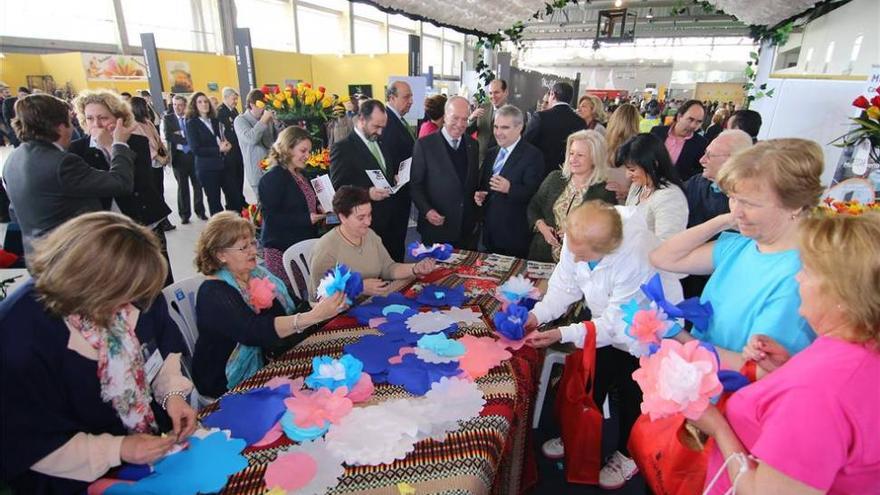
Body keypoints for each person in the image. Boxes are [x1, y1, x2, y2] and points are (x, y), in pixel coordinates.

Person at [0, 212, 196, 493]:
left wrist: (172, 396)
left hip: (150, 452)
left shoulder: (137, 291)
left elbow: (161, 350)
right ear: (88, 285)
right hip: (72, 478)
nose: (131, 307)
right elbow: (27, 442)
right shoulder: (19, 335)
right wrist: (118, 449)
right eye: (122, 297)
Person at [691, 212, 880, 494]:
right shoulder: (861, 347)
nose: (797, 277)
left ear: (842, 296)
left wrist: (717, 427)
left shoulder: (816, 392)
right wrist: (787, 369)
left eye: (808, 270)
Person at [524, 201, 683, 490]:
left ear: (604, 251)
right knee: (593, 377)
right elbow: (564, 285)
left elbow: (616, 323)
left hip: (643, 329)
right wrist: (538, 315)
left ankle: (627, 454)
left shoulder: (635, 256)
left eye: (582, 255)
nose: (575, 257)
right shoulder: (581, 237)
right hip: (603, 321)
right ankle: (579, 432)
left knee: (631, 392)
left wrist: (563, 333)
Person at [650, 139, 824, 368]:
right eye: (732, 198)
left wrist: (679, 338)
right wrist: (723, 220)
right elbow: (663, 257)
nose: (737, 211)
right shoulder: (742, 246)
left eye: (750, 203)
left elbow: (758, 368)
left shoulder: (799, 277)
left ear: (795, 205)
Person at [192, 212, 346, 399]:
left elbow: (294, 306)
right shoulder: (213, 293)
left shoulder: (258, 273)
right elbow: (254, 331)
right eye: (243, 248)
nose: (252, 251)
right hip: (226, 381)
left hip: (272, 356)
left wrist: (325, 306)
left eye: (252, 243)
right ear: (221, 255)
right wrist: (313, 316)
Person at [3, 94, 135, 260]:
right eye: (71, 122)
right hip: (74, 259)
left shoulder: (14, 159)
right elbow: (121, 183)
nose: (73, 129)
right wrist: (118, 145)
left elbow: (14, 212)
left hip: (40, 257)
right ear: (60, 127)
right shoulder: (62, 163)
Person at [69, 89, 174, 285]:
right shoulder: (77, 150)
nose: (97, 124)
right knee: (126, 284)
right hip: (109, 231)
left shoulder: (137, 142)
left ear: (119, 119)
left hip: (145, 224)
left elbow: (137, 184)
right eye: (90, 118)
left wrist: (113, 146)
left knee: (160, 280)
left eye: (103, 118)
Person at [308, 186, 436, 300]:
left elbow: (388, 268)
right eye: (361, 218)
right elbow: (320, 295)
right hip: (336, 314)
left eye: (369, 215)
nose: (368, 222)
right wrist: (358, 287)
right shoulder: (326, 248)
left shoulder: (369, 235)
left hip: (369, 302)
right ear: (342, 217)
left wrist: (414, 268)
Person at [330, 99, 409, 262]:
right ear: (361, 120)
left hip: (392, 219)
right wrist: (367, 193)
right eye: (376, 126)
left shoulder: (380, 141)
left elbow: (383, 169)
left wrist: (393, 177)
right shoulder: (343, 148)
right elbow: (339, 188)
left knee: (395, 265)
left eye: (382, 127)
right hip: (368, 223)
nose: (380, 132)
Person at [527, 130, 616, 262]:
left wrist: (576, 234)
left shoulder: (604, 192)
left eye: (580, 155)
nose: (573, 159)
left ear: (595, 158)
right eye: (571, 153)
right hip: (541, 257)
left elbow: (607, 232)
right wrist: (541, 226)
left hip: (578, 264)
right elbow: (534, 207)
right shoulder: (554, 178)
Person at [258, 127, 325, 289]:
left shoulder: (301, 173)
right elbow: (271, 218)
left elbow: (306, 201)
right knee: (292, 297)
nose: (307, 156)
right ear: (287, 148)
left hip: (301, 244)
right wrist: (306, 219)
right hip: (281, 249)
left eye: (309, 151)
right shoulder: (273, 178)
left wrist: (319, 206)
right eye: (303, 150)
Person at [474, 104, 544, 258]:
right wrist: (480, 194)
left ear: (520, 128)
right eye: (496, 127)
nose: (498, 133)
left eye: (504, 128)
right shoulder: (491, 153)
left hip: (514, 236)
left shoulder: (533, 155)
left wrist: (510, 188)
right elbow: (485, 185)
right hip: (488, 233)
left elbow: (535, 195)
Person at [410, 96, 480, 248]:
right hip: (437, 228)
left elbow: (472, 182)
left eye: (465, 119)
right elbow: (415, 186)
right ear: (445, 115)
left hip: (466, 229)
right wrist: (427, 211)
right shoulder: (424, 145)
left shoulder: (473, 145)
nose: (460, 124)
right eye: (455, 118)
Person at [618, 134, 688, 242]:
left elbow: (667, 244)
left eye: (632, 170)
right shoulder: (638, 186)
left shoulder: (670, 197)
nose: (627, 175)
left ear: (654, 164)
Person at [685, 129, 753, 228]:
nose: (701, 160)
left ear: (733, 160)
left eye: (709, 155)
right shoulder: (697, 182)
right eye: (705, 153)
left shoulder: (746, 201)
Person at [185, 92, 234, 216]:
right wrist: (218, 150)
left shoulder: (215, 120)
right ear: (194, 105)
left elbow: (220, 138)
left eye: (206, 101)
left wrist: (226, 145)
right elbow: (196, 149)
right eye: (200, 102)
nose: (204, 104)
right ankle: (219, 232)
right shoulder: (192, 124)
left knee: (233, 196)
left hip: (223, 164)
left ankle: (233, 226)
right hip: (207, 168)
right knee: (214, 202)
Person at [525, 82, 587, 178]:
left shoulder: (540, 117)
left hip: (539, 172)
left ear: (553, 94)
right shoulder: (580, 122)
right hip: (567, 173)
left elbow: (526, 143)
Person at [130, 96, 173, 229]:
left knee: (160, 190)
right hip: (150, 163)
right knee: (154, 192)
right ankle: (161, 221)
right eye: (145, 105)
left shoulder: (147, 122)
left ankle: (164, 219)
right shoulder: (135, 125)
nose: (148, 107)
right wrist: (158, 156)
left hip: (158, 162)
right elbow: (145, 145)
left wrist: (164, 152)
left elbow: (157, 138)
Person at [163, 95, 206, 224]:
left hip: (193, 156)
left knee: (197, 185)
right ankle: (184, 215)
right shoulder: (168, 118)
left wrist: (181, 136)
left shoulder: (191, 118)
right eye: (175, 105)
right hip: (179, 157)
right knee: (183, 187)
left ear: (185, 105)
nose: (177, 107)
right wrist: (188, 139)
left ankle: (200, 211)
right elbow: (169, 136)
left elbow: (197, 134)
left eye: (180, 105)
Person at [234, 89, 277, 203]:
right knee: (264, 205)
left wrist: (277, 122)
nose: (264, 109)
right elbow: (251, 138)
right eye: (261, 106)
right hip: (256, 171)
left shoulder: (268, 119)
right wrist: (263, 120)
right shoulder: (240, 120)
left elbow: (277, 140)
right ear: (252, 105)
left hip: (273, 167)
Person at [650, 99, 707, 180]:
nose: (693, 125)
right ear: (679, 117)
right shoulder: (657, 132)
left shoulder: (701, 143)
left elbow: (698, 172)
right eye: (690, 119)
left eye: (699, 122)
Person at [467, 79, 510, 164]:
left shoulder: (512, 114)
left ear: (506, 92)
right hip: (480, 161)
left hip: (500, 163)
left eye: (496, 92)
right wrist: (471, 118)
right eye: (490, 93)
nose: (493, 96)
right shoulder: (483, 108)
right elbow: (467, 131)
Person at [216, 87, 245, 212]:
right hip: (228, 152)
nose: (235, 101)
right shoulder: (220, 112)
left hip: (238, 149)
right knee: (231, 180)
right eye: (234, 99)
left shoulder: (234, 111)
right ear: (226, 97)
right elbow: (221, 133)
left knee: (239, 176)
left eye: (236, 99)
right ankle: (233, 205)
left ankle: (240, 200)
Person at [604, 103, 641, 202]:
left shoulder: (602, 145)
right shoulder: (639, 150)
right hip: (625, 204)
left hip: (600, 203)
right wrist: (628, 191)